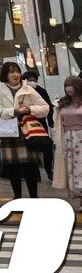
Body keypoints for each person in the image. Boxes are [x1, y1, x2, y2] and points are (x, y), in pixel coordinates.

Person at [0, 60, 49, 198]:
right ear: (5, 74)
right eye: (11, 72)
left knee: (31, 166)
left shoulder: (28, 89)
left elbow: (44, 108)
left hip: (28, 131)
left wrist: (30, 109)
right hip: (9, 131)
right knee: (13, 167)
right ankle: (18, 197)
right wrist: (15, 111)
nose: (15, 74)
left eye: (17, 71)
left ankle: (34, 197)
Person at [52, 75, 82, 208]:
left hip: (80, 137)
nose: (69, 91)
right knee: (73, 169)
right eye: (67, 88)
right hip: (68, 140)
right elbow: (56, 121)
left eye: (72, 88)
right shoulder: (62, 104)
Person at [24, 69, 56, 182]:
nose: (32, 82)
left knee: (47, 147)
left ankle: (49, 170)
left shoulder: (41, 91)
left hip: (41, 124)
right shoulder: (22, 92)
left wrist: (50, 121)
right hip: (27, 124)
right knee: (31, 148)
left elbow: (48, 107)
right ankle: (35, 173)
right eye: (30, 80)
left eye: (34, 80)